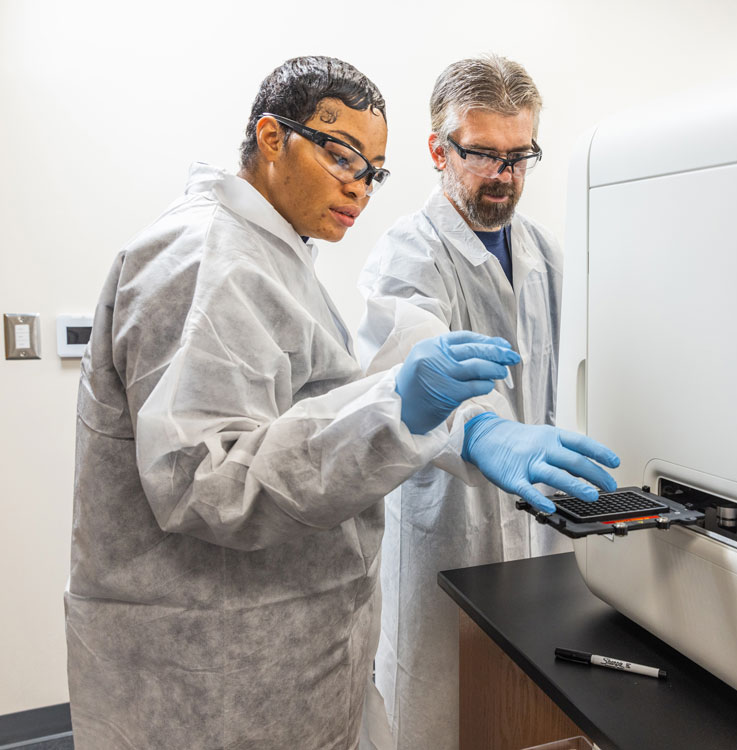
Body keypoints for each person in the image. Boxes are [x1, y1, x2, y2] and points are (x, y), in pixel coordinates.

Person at [65, 56, 618, 750]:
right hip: (220, 660)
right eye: (342, 157)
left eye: (372, 170)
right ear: (272, 138)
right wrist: (425, 414)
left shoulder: (270, 256)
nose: (358, 187)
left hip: (284, 638)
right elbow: (205, 483)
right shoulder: (207, 259)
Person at [357, 54, 580, 750]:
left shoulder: (544, 253)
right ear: (438, 149)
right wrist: (482, 434)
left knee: (525, 716)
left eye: (520, 155)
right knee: (436, 716)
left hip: (537, 530)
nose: (504, 175)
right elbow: (406, 382)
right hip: (444, 530)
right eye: (484, 154)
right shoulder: (406, 256)